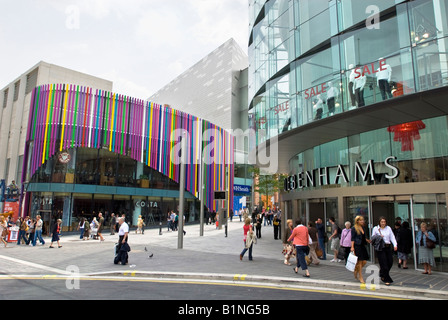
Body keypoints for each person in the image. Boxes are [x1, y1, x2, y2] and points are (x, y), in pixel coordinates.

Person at [372, 217, 397, 286]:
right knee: (384, 264)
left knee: (390, 262)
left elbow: (392, 237)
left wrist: (395, 245)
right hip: (380, 248)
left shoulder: (388, 228)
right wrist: (379, 236)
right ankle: (386, 279)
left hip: (388, 247)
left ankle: (382, 273)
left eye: (384, 222)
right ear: (379, 222)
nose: (383, 223)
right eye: (382, 222)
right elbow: (373, 238)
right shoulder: (375, 229)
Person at [351, 216, 371, 284]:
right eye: (361, 220)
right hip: (357, 246)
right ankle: (360, 277)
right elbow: (353, 238)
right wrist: (352, 247)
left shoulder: (363, 228)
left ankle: (356, 270)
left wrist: (367, 240)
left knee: (364, 261)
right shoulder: (354, 228)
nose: (363, 221)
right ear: (357, 221)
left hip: (363, 246)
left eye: (363, 220)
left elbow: (363, 237)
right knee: (359, 262)